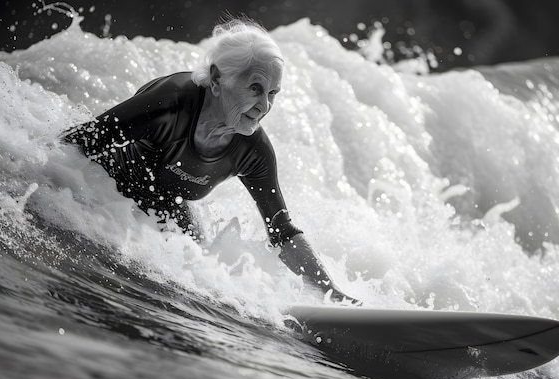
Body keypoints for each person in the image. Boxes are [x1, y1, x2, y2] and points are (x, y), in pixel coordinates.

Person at [63, 18, 360, 305]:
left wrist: (333, 294)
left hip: (165, 214)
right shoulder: (170, 104)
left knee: (202, 276)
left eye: (273, 93)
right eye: (255, 88)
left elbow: (282, 232)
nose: (265, 106)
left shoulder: (253, 151)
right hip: (104, 194)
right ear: (217, 79)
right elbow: (76, 142)